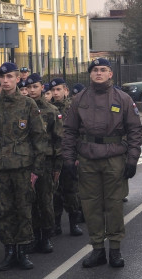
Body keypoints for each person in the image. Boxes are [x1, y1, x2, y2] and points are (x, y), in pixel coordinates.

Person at [62, 58, 142, 268]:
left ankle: (115, 249)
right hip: (87, 158)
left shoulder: (123, 99)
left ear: (110, 74)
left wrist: (132, 159)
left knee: (114, 205)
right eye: (95, 70)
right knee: (91, 205)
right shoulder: (79, 99)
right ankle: (97, 248)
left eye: (103, 70)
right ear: (90, 74)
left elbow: (135, 130)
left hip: (114, 158)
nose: (99, 73)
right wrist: (69, 160)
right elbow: (69, 132)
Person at [0, 62, 48, 271]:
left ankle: (23, 251)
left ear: (18, 79)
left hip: (23, 167)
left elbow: (39, 139)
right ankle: (9, 251)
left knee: (24, 209)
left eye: (9, 77)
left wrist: (36, 170)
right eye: (2, 77)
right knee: (6, 210)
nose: (5, 81)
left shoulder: (28, 105)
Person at [23, 72, 64, 255]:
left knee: (45, 200)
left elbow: (58, 141)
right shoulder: (21, 109)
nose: (31, 90)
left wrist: (57, 166)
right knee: (29, 202)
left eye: (35, 87)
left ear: (42, 88)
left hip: (46, 163)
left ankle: (46, 236)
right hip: (26, 162)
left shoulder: (51, 111)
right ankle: (32, 236)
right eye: (28, 87)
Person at [49, 78, 85, 236]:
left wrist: (77, 154)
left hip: (69, 155)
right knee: (55, 192)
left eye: (58, 89)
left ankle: (73, 222)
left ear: (66, 90)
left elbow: (80, 132)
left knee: (71, 191)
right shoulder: (48, 109)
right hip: (53, 156)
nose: (55, 93)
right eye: (53, 90)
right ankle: (56, 223)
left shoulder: (74, 108)